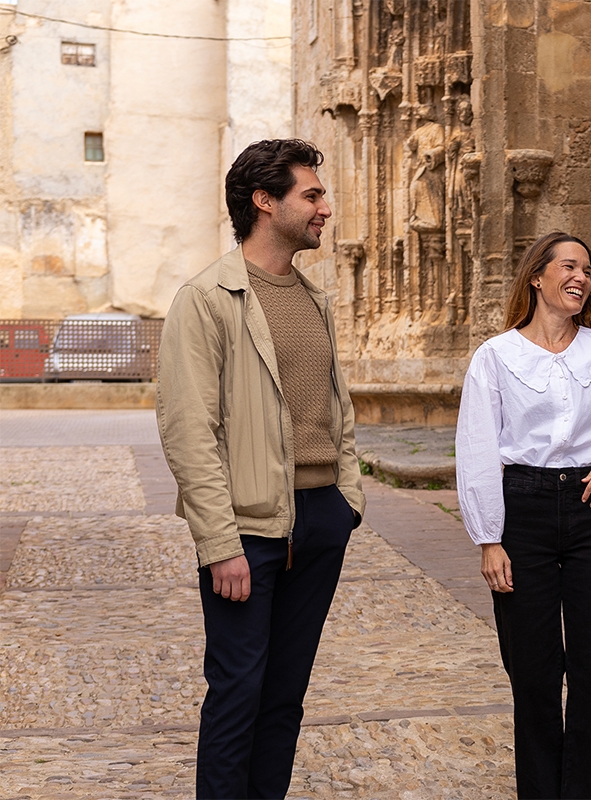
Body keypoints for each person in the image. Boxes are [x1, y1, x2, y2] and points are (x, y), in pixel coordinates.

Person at [156, 139, 365, 799]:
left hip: (321, 519)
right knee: (238, 692)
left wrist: (347, 501)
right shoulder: (208, 299)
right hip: (248, 532)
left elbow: (337, 410)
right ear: (264, 201)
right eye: (313, 195)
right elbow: (191, 431)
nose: (325, 208)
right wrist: (221, 543)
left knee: (285, 696)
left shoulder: (313, 298)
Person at [455, 231, 591, 799]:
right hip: (522, 512)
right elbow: (476, 452)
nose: (581, 278)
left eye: (588, 271)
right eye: (569, 266)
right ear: (537, 277)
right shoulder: (495, 358)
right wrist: (488, 540)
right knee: (534, 674)